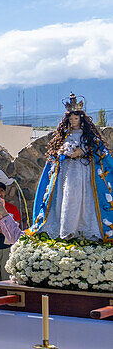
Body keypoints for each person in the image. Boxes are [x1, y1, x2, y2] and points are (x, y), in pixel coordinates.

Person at [31, 94, 113, 240]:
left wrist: (83, 151)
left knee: (85, 198)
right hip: (67, 173)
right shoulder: (63, 137)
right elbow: (55, 156)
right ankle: (67, 229)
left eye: (76, 118)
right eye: (71, 119)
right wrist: (64, 152)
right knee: (67, 197)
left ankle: (86, 229)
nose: (73, 121)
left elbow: (99, 151)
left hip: (84, 172)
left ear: (81, 119)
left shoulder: (89, 137)